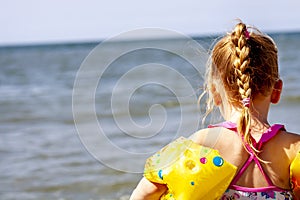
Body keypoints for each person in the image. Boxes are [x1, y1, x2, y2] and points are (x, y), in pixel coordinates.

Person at [130, 21, 300, 199]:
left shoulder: (201, 143)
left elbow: (144, 193)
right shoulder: (293, 149)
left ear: (214, 93)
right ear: (277, 91)